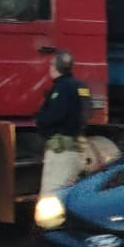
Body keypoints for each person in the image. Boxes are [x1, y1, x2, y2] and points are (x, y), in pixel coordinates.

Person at [36, 51, 92, 194]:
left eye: (51, 65)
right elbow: (87, 112)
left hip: (60, 152)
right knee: (68, 192)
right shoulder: (81, 86)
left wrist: (39, 118)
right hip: (77, 149)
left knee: (52, 194)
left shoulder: (61, 88)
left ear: (55, 68)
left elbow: (54, 115)